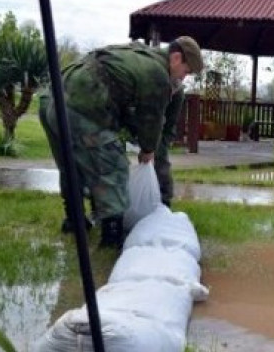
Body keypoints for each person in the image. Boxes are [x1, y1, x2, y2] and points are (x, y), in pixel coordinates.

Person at [38, 36, 203, 248]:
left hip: (52, 99)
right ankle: (111, 238)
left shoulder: (139, 55)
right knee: (114, 169)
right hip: (81, 106)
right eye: (186, 71)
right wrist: (148, 149)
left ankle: (74, 222)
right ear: (177, 58)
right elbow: (150, 120)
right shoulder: (158, 74)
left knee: (72, 167)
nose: (184, 78)